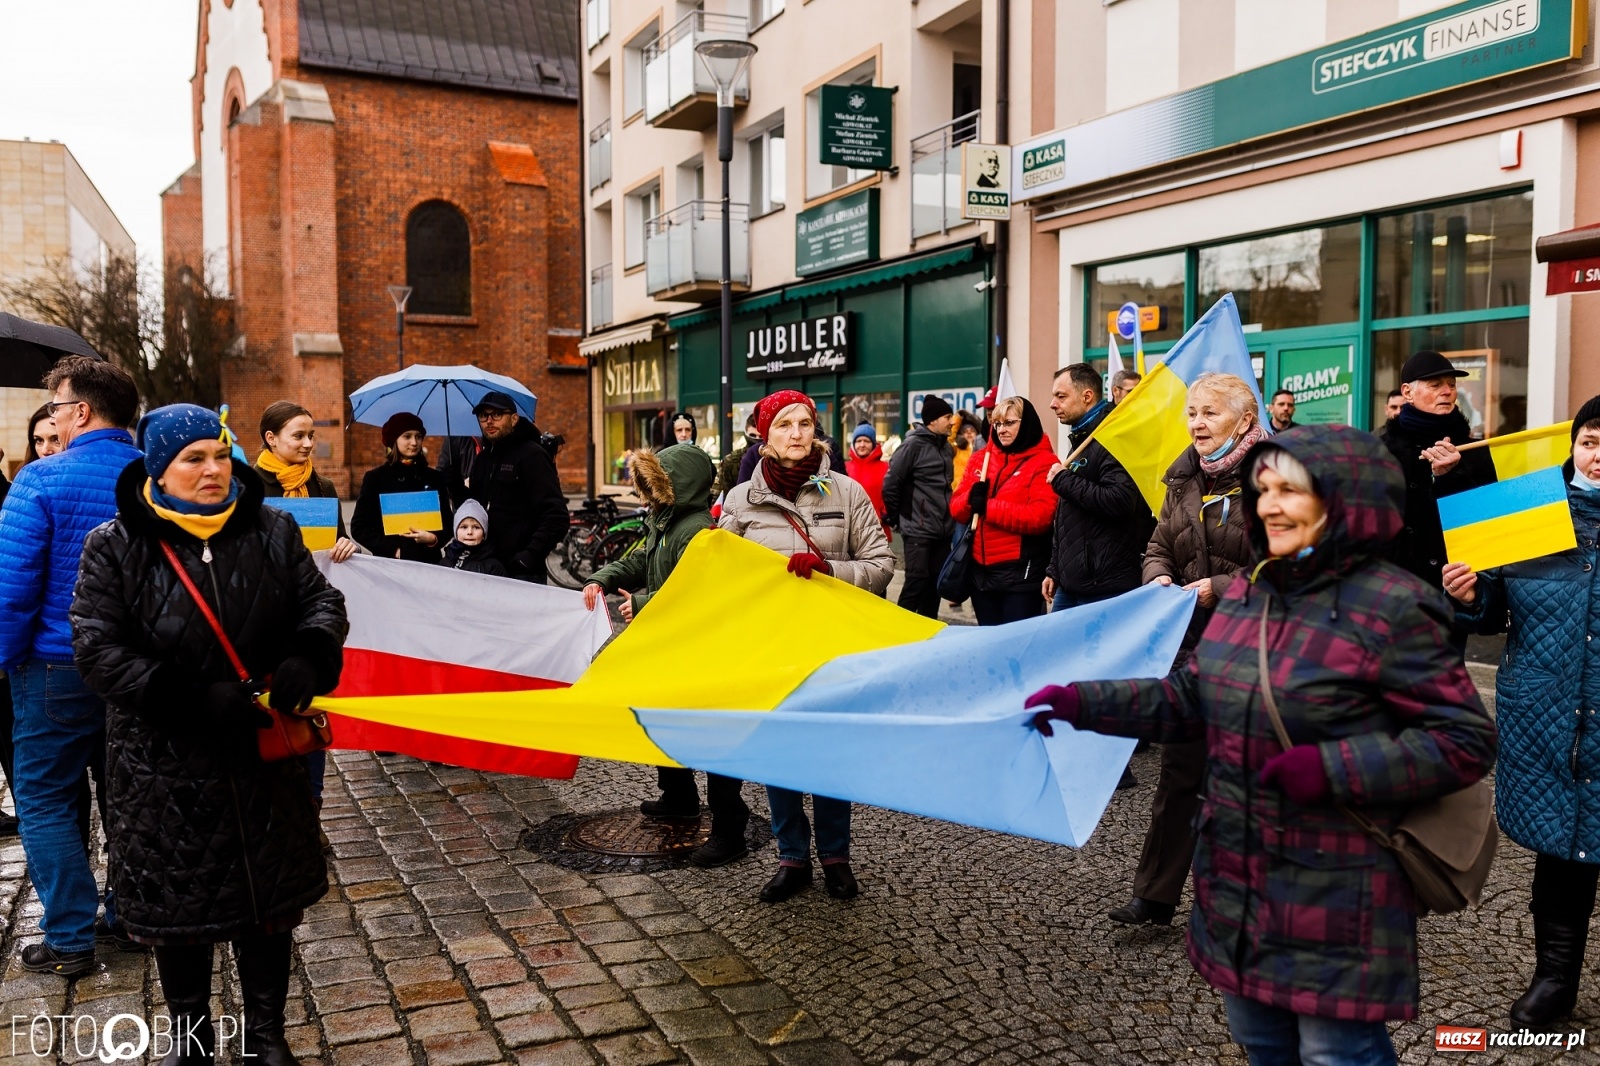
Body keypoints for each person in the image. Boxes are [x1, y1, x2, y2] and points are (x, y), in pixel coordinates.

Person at [1027, 424, 1497, 1066]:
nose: (1270, 505)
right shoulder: (1250, 595)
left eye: (1292, 491)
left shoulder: (1395, 606)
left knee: (1337, 1051)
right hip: (1237, 876)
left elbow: (1463, 740)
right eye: (1264, 489)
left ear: (1344, 501)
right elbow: (1191, 698)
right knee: (1262, 1044)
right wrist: (1086, 701)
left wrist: (1333, 768)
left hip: (1338, 882)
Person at [73, 403, 347, 1063]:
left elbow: (321, 601)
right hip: (164, 767)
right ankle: (190, 1038)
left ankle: (264, 1035)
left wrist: (310, 652)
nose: (212, 470)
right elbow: (96, 648)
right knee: (180, 910)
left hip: (261, 757)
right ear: (159, 468)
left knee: (268, 902)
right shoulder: (114, 545)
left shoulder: (273, 530)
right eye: (193, 459)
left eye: (219, 455)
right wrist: (190, 698)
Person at [1444, 396, 1600, 1030]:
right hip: (1550, 713)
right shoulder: (1530, 510)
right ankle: (1554, 980)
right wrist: (1471, 593)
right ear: (1575, 446)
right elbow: (1492, 611)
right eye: (1592, 440)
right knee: (1562, 853)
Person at [719, 390, 894, 902]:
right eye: (785, 425)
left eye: (805, 424)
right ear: (763, 435)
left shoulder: (846, 491)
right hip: (771, 648)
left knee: (832, 753)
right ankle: (791, 857)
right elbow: (720, 577)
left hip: (832, 647)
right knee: (781, 754)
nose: (797, 434)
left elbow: (882, 565)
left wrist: (830, 571)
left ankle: (836, 856)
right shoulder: (739, 501)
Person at [0, 356, 143, 975]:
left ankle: (68, 936)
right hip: (137, 671)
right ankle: (133, 915)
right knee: (129, 796)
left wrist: (3, 663)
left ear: (81, 411)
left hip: (54, 666)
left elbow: (12, 590)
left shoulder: (39, 482)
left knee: (45, 798)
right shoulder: (155, 481)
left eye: (57, 406)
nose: (54, 417)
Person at [1110, 372, 1264, 928]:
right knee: (1179, 775)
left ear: (1244, 421)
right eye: (1192, 412)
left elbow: (1291, 566)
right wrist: (1157, 577)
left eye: (1210, 413)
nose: (1196, 423)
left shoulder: (1277, 481)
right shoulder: (1182, 479)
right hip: (1193, 652)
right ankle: (1155, 896)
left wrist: (1218, 589)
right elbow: (1158, 544)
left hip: (1256, 656)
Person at [583, 445, 752, 866]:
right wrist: (601, 578)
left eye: (649, 486)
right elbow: (642, 559)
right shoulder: (665, 520)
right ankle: (678, 797)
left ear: (672, 487)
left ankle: (730, 830)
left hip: (702, 653)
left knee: (711, 739)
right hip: (673, 648)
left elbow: (700, 593)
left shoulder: (697, 530)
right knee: (663, 721)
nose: (642, 495)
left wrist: (641, 604)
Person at [1380, 351, 1497, 590]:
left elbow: (1488, 517)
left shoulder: (1473, 448)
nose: (1447, 392)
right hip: (1393, 588)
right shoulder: (1381, 451)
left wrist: (1452, 476)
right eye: (1435, 385)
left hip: (1453, 585)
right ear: (1407, 392)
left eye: (1452, 385)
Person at [1043, 364, 1148, 613]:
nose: (1052, 404)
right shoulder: (1083, 435)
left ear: (1087, 396)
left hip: (1103, 586)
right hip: (1071, 584)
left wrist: (1064, 480)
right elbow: (1069, 515)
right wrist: (1055, 569)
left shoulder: (1112, 436)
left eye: (1061, 396)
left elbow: (1120, 500)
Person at [950, 397, 1057, 626]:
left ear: (1026, 423)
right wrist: (970, 499)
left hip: (1020, 575)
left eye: (1009, 423)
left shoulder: (1044, 462)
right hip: (980, 574)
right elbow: (956, 510)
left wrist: (988, 507)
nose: (1001, 430)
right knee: (990, 644)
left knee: (1018, 647)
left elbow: (1040, 517)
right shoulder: (981, 459)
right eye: (997, 424)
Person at [465, 391, 568, 583]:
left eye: (496, 414)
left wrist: (528, 557)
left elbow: (556, 516)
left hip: (522, 573)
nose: (489, 421)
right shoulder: (483, 460)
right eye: (483, 415)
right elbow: (475, 509)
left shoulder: (531, 455)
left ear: (513, 419)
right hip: (485, 567)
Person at [253, 401, 359, 563]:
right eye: (298, 436)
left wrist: (349, 547)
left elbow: (339, 539)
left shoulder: (324, 486)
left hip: (315, 582)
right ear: (271, 438)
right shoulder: (248, 486)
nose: (308, 444)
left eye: (310, 436)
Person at [882, 396, 955, 618]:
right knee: (916, 583)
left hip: (943, 530)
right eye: (947, 417)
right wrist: (898, 518)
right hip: (918, 529)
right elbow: (891, 484)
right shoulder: (912, 446)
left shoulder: (946, 448)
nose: (952, 422)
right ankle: (899, 634)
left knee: (935, 585)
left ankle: (928, 634)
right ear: (932, 421)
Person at [351, 412, 453, 562]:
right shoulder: (376, 478)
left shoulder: (434, 478)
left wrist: (433, 539)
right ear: (394, 440)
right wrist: (393, 549)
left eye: (418, 436)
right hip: (390, 565)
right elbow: (359, 527)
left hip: (429, 563)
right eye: (407, 436)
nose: (414, 442)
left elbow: (448, 523)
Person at [845, 423, 891, 540]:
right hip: (849, 528)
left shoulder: (886, 468)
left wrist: (884, 514)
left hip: (877, 528)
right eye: (858, 441)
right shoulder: (844, 468)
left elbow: (892, 493)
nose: (862, 445)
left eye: (866, 441)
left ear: (873, 444)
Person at [440, 501, 507, 575]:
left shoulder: (493, 567)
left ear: (484, 533)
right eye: (464, 527)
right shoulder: (445, 562)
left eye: (476, 527)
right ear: (456, 531)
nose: (470, 532)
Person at [950, 411, 984, 489]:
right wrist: (957, 419)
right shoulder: (957, 448)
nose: (969, 433)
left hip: (975, 490)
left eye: (972, 431)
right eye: (965, 432)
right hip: (958, 491)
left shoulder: (982, 449)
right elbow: (949, 438)